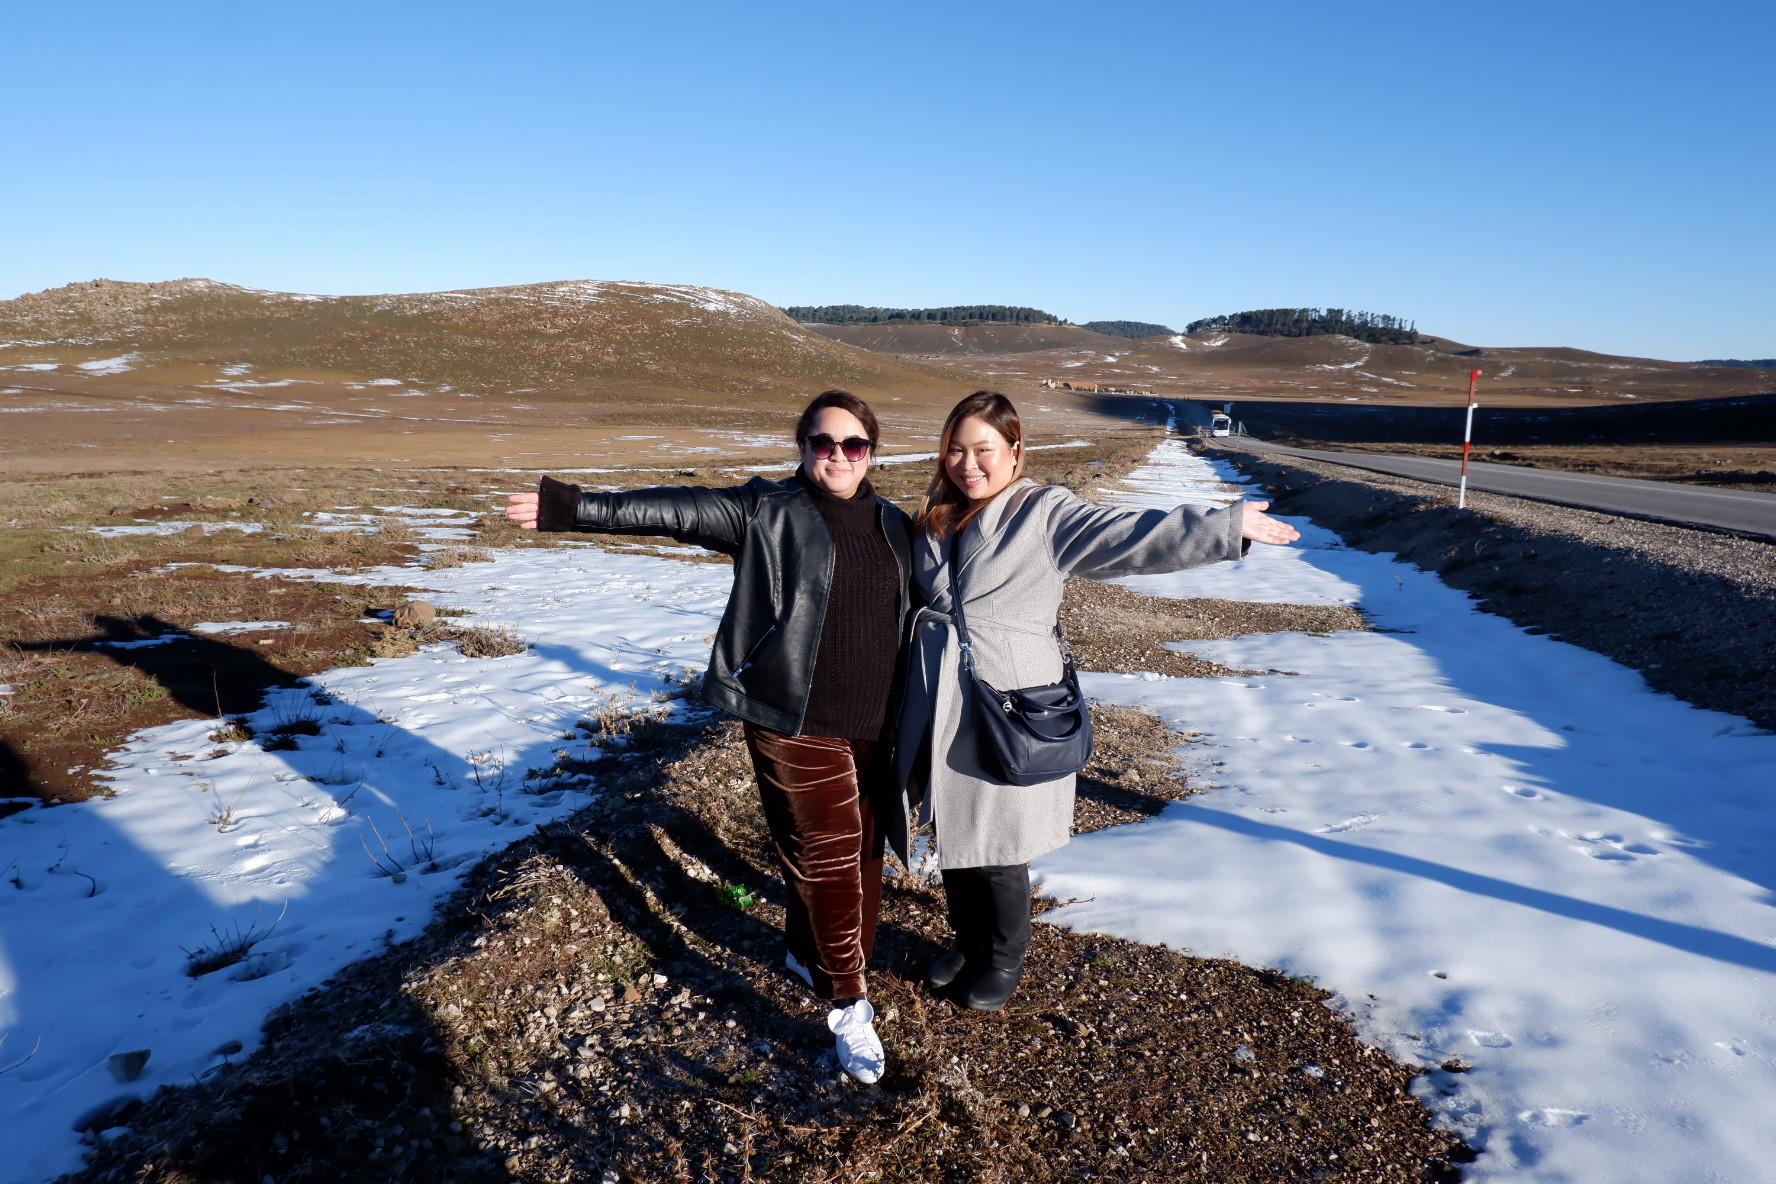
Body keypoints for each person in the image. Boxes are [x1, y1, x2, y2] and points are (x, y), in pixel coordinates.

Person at [505, 390, 913, 1083]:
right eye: (823, 442)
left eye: (853, 444)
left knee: (863, 852)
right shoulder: (765, 510)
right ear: (802, 448)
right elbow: (678, 510)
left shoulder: (895, 524)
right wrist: (574, 509)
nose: (838, 456)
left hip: (878, 723)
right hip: (792, 717)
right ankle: (849, 1003)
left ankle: (809, 954)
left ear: (871, 450)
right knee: (829, 854)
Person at [898, 391, 1300, 1012]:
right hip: (943, 696)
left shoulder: (1043, 512)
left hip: (1007, 699)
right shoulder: (935, 517)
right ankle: (969, 940)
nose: (968, 464)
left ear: (1015, 451)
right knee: (955, 828)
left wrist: (1216, 527)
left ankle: (1001, 957)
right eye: (956, 449)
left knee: (998, 841)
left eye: (984, 450)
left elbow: (1122, 535)